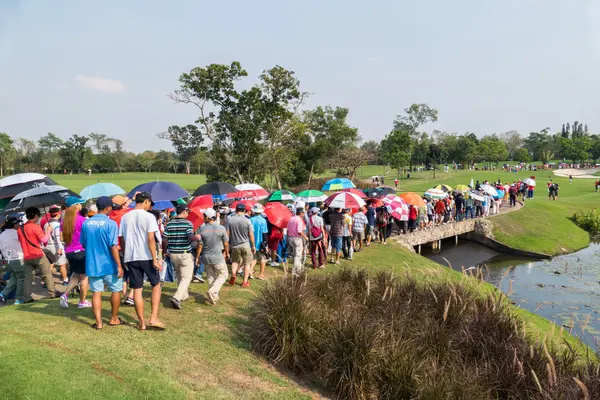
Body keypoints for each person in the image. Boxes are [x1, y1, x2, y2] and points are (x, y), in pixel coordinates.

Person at [119, 192, 164, 330]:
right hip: (146, 256)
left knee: (137, 289)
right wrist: (155, 258)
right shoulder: (149, 216)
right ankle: (154, 317)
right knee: (156, 285)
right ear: (146, 201)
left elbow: (122, 239)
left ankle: (142, 322)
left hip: (131, 257)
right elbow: (151, 238)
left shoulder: (125, 217)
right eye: (149, 203)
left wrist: (125, 255)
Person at [80, 197, 124, 329]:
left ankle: (99, 323)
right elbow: (113, 245)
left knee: (96, 292)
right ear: (108, 208)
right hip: (109, 263)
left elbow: (83, 242)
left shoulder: (86, 223)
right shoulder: (111, 224)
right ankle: (114, 318)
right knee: (116, 290)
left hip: (93, 263)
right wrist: (119, 264)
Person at [163, 204, 199, 310]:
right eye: (187, 212)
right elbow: (190, 237)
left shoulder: (169, 224)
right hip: (184, 253)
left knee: (179, 276)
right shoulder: (188, 223)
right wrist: (196, 237)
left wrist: (165, 251)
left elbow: (164, 240)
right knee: (187, 277)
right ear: (184, 212)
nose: (188, 214)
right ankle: (177, 297)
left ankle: (184, 295)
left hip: (173, 253)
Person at [59, 196, 91, 309]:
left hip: (69, 252)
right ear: (76, 206)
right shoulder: (82, 220)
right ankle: (82, 301)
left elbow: (62, 239)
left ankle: (65, 295)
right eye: (79, 204)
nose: (81, 205)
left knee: (76, 275)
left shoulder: (63, 221)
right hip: (81, 251)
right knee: (84, 278)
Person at [20, 207, 55, 303]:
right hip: (38, 254)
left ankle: (27, 297)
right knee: (47, 274)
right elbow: (44, 240)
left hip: (27, 256)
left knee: (28, 278)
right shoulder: (35, 227)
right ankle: (52, 293)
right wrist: (48, 231)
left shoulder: (20, 228)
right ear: (36, 216)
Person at [198, 208, 229, 305]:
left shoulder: (202, 229)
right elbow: (226, 243)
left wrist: (197, 257)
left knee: (211, 276)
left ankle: (214, 297)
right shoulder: (221, 228)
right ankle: (213, 291)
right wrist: (227, 253)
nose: (203, 217)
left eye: (204, 216)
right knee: (223, 275)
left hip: (206, 256)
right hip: (217, 256)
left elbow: (200, 245)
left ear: (207, 217)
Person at [227, 203, 255, 288]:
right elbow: (250, 234)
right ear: (244, 210)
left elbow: (228, 233)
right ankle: (245, 282)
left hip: (235, 245)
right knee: (247, 263)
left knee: (235, 261)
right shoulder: (247, 220)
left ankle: (233, 274)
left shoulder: (230, 220)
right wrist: (253, 245)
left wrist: (228, 243)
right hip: (245, 244)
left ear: (236, 210)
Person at [0, 216, 25, 304]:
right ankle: (19, 299)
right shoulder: (16, 233)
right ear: (14, 224)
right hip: (17, 258)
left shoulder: (2, 234)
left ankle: (3, 294)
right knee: (21, 278)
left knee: (15, 277)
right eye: (18, 223)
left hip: (8, 259)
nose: (19, 224)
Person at [45, 205, 68, 285]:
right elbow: (58, 238)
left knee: (50, 264)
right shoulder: (58, 225)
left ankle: (46, 281)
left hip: (47, 246)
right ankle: (65, 280)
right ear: (58, 214)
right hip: (56, 246)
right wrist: (61, 248)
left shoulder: (46, 224)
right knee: (62, 264)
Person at [249, 204, 268, 280]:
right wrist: (265, 245)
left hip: (251, 243)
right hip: (260, 243)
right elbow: (264, 233)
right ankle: (261, 274)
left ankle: (250, 271)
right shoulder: (263, 220)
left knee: (254, 258)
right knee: (263, 259)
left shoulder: (250, 220)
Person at [287, 207, 308, 274]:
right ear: (301, 213)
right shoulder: (299, 220)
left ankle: (299, 268)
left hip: (290, 238)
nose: (304, 214)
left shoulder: (291, 218)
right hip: (297, 238)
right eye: (303, 212)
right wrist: (305, 237)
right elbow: (299, 231)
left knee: (295, 254)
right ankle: (295, 270)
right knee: (298, 255)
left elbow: (288, 230)